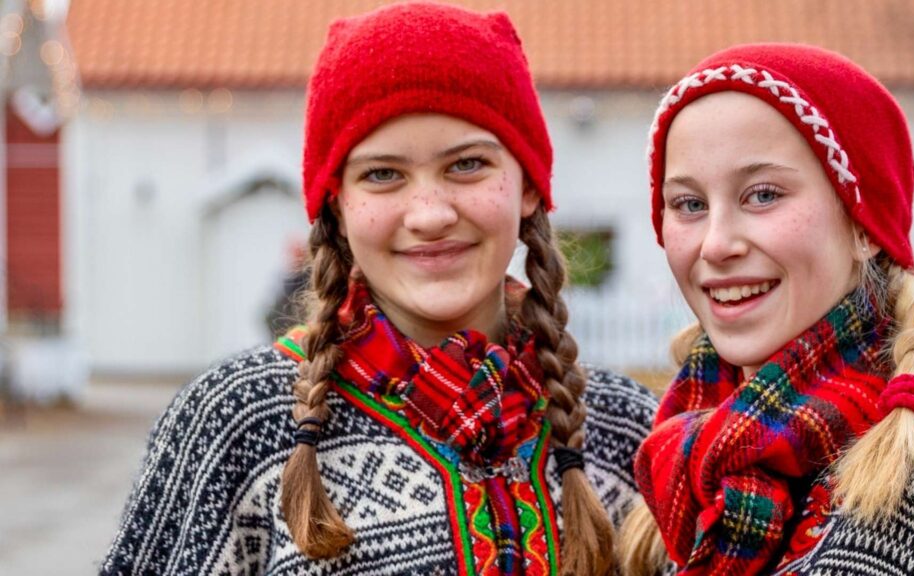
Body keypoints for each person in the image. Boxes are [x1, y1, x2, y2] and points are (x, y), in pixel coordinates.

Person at [100, 4, 657, 575]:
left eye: (467, 164)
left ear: (529, 187)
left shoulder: (631, 435)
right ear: (337, 207)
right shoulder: (236, 422)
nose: (430, 213)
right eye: (383, 174)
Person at [619, 44, 914, 575]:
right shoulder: (679, 482)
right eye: (689, 204)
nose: (715, 245)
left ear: (863, 227)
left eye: (762, 195)